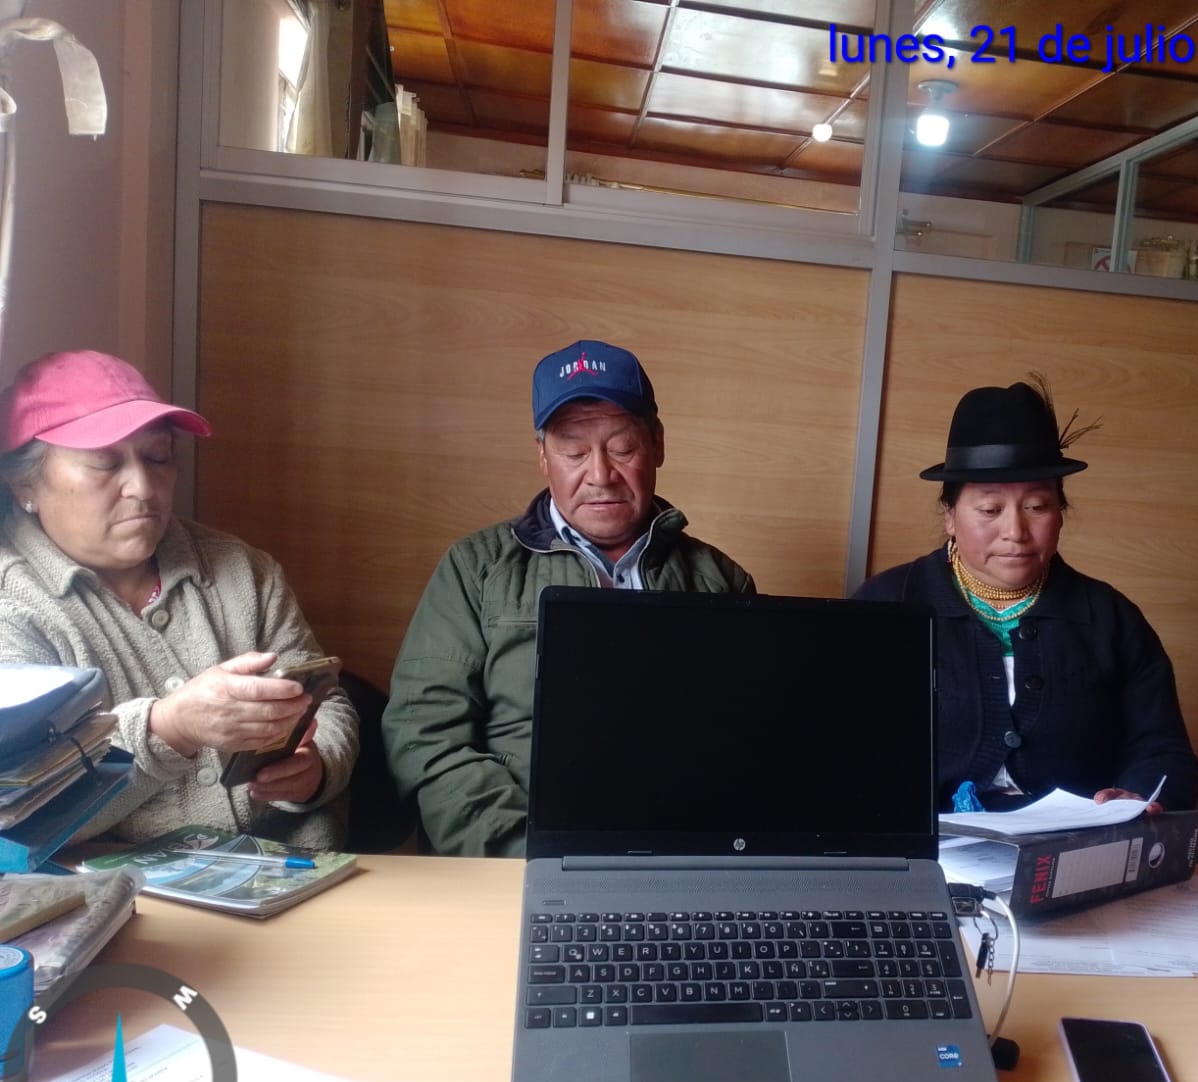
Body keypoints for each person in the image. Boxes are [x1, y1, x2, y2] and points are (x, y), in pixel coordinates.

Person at [384, 339, 755, 856]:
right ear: (543, 456)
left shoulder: (722, 582)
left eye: (622, 447)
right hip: (513, 859)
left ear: (657, 445)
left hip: (675, 860)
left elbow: (746, 750)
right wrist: (523, 854)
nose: (600, 475)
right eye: (574, 452)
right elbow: (424, 735)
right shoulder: (476, 568)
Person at [0, 350, 356, 847]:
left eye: (158, 456)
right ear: (24, 484)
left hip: (295, 867)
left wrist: (316, 768)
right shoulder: (12, 606)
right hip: (117, 887)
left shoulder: (243, 570)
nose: (143, 487)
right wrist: (169, 729)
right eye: (105, 462)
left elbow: (328, 702)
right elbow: (20, 811)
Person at [853, 379, 1198, 813]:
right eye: (990, 510)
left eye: (1037, 507)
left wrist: (1137, 796)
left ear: (1060, 514)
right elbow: (833, 740)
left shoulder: (1111, 619)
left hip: (1074, 845)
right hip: (923, 845)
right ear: (950, 516)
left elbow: (1163, 749)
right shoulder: (885, 605)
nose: (1015, 531)